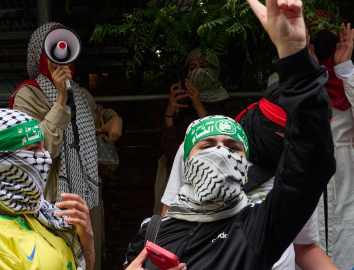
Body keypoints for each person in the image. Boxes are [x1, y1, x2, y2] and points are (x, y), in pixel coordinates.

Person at [124, 0, 335, 268]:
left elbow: (310, 163)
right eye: (207, 145)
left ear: (245, 168)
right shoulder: (152, 234)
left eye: (232, 147)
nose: (220, 153)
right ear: (185, 163)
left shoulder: (256, 231)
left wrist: (294, 56)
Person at [9, 22, 123, 270]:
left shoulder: (82, 95)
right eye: (51, 51)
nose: (59, 59)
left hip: (87, 199)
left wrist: (116, 118)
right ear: (40, 56)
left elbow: (101, 114)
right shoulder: (28, 95)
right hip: (50, 200)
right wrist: (60, 99)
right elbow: (40, 150)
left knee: (91, 259)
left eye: (64, 51)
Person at [0, 108, 94, 270]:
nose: (45, 158)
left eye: (43, 147)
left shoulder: (33, 212)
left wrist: (87, 239)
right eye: (33, 150)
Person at [154, 47, 243, 214]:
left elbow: (225, 153)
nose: (199, 72)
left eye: (204, 66)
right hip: (183, 187)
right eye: (192, 67)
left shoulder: (230, 106)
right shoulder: (182, 106)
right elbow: (171, 151)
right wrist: (170, 113)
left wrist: (199, 106)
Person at [308, 14, 354, 269]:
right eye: (315, 31)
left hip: (347, 171)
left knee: (347, 239)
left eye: (327, 31)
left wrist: (344, 67)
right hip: (308, 167)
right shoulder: (291, 79)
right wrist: (308, 72)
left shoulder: (349, 77)